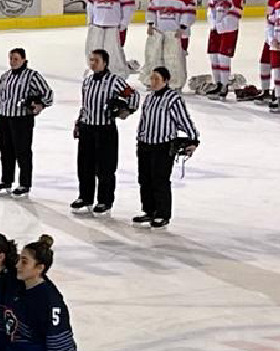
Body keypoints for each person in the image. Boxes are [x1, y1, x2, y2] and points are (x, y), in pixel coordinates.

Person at [72, 49, 140, 216]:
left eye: (96, 60)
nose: (92, 63)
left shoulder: (115, 81)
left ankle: (104, 201)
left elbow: (133, 96)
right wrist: (78, 123)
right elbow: (85, 105)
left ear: (105, 63)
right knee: (84, 166)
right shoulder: (87, 82)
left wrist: (126, 110)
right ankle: (85, 197)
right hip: (87, 128)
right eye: (91, 60)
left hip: (105, 130)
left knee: (105, 168)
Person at [135, 66, 199, 229]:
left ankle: (162, 213)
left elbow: (184, 120)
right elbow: (143, 121)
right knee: (145, 179)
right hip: (146, 145)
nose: (153, 81)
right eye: (152, 78)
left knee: (160, 180)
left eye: (157, 78)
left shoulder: (173, 99)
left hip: (162, 146)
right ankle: (149, 211)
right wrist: (139, 139)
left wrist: (192, 139)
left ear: (165, 81)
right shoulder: (149, 98)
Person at [0, 48, 53, 197]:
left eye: (16, 59)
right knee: (5, 151)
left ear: (24, 60)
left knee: (22, 152)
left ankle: (24, 183)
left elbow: (48, 94)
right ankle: (6, 180)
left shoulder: (32, 76)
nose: (12, 62)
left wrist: (40, 105)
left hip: (22, 119)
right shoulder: (5, 76)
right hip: (4, 119)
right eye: (11, 59)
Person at [142, 0, 196, 89]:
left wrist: (183, 27)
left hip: (176, 34)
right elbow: (151, 10)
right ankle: (157, 81)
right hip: (159, 33)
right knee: (156, 57)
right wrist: (150, 24)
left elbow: (189, 13)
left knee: (176, 58)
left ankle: (175, 83)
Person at [85, 0, 135, 76]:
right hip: (97, 26)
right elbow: (91, 4)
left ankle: (115, 73)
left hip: (113, 27)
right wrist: (90, 20)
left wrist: (124, 23)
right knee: (95, 50)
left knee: (113, 52)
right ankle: (96, 70)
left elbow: (128, 7)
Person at [205, 0, 243, 99]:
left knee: (223, 57)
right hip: (214, 29)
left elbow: (236, 13)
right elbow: (210, 10)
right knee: (213, 56)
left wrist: (220, 25)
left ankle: (224, 85)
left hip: (229, 30)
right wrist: (213, 24)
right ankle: (217, 84)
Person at [257, 0, 280, 105]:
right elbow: (269, 18)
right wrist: (270, 37)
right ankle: (266, 91)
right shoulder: (272, 1)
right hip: (272, 35)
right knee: (264, 61)